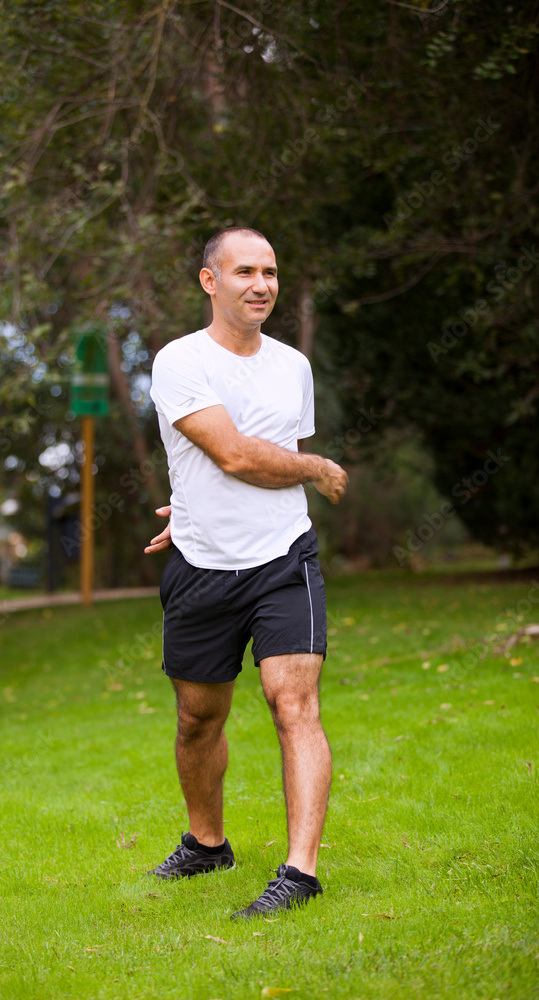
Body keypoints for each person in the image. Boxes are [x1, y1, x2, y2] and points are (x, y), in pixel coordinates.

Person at [144, 227, 348, 919]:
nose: (261, 284)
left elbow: (267, 452)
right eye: (244, 272)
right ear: (210, 282)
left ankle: (300, 872)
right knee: (197, 717)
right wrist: (317, 469)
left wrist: (273, 478)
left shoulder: (292, 365)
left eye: (269, 272)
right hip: (201, 567)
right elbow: (232, 455)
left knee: (293, 705)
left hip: (283, 557)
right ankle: (206, 844)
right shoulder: (178, 361)